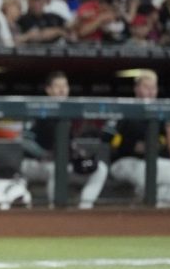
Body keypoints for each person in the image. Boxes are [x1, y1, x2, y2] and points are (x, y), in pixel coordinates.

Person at [19, 71, 109, 209]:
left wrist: (80, 152)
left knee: (100, 169)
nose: (62, 90)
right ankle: (56, 208)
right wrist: (42, 153)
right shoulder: (38, 110)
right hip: (36, 163)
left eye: (65, 86)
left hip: (66, 163)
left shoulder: (73, 113)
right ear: (48, 90)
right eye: (57, 86)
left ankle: (85, 206)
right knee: (57, 167)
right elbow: (24, 140)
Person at [109, 70, 170, 208]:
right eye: (146, 87)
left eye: (153, 88)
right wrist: (131, 145)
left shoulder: (159, 115)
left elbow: (163, 141)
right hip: (124, 162)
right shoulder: (125, 109)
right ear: (136, 89)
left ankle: (150, 206)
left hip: (149, 161)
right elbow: (109, 140)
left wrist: (154, 145)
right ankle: (150, 204)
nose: (150, 92)